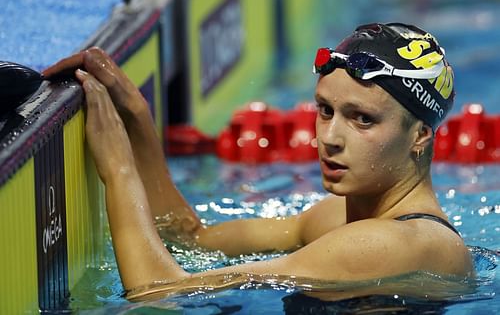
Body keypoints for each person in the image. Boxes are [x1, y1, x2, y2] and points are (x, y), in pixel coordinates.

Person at [42, 22, 473, 299]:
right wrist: (137, 116)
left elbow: (162, 292)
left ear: (420, 135)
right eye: (326, 110)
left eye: (363, 119)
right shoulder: (339, 219)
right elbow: (190, 240)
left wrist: (119, 172)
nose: (330, 138)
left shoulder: (398, 243)